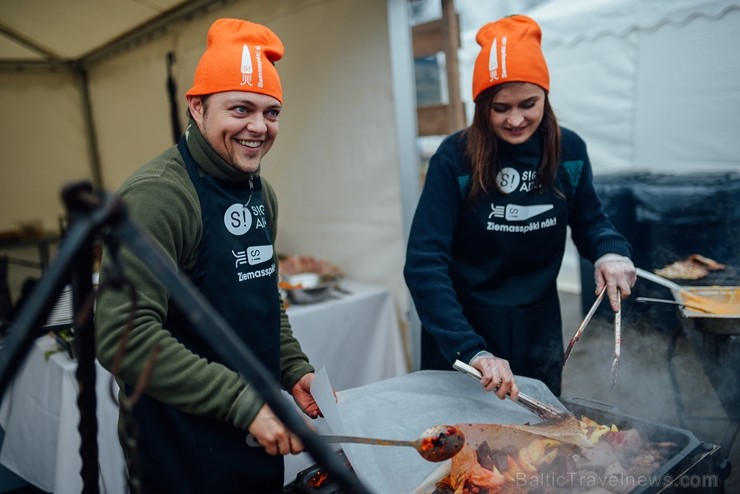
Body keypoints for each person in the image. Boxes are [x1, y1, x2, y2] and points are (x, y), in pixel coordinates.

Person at [95, 18, 318, 494]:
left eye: (272, 112)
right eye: (240, 108)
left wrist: (293, 368)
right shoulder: (158, 197)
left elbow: (262, 297)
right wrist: (243, 402)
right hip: (178, 444)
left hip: (252, 433)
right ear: (197, 107)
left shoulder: (261, 192)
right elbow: (122, 336)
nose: (259, 127)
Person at [403, 15, 636, 399]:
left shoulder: (569, 151)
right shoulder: (455, 159)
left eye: (529, 104)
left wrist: (610, 252)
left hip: (537, 326)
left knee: (538, 448)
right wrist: (470, 350)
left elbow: (591, 221)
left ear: (546, 95)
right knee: (461, 449)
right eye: (500, 108)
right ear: (482, 107)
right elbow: (424, 262)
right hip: (464, 328)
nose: (515, 120)